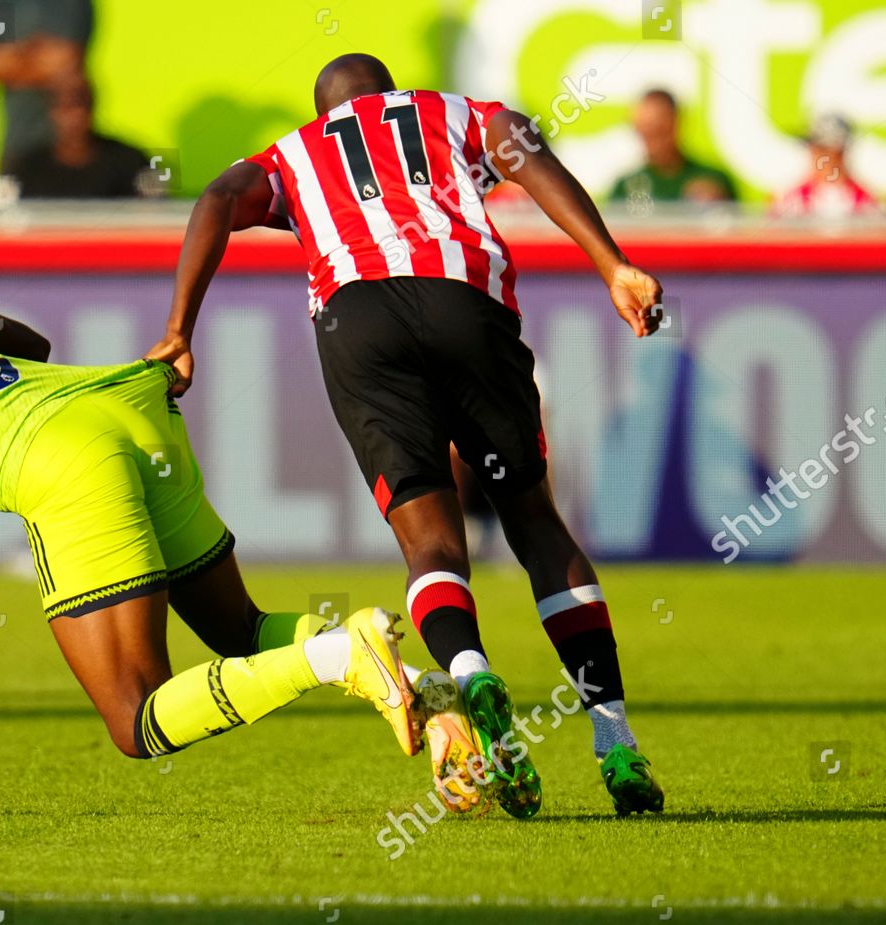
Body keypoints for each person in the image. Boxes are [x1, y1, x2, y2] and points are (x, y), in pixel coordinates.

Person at [0, 211, 487, 812]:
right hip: (125, 407)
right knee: (240, 631)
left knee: (137, 720)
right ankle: (420, 685)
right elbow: (23, 340)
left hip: (67, 467)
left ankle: (340, 658)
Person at [146, 53, 669, 818]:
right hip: (464, 301)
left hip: (358, 322)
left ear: (324, 108)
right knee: (534, 523)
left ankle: (469, 666)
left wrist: (179, 328)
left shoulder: (292, 153)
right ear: (389, 94)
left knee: (428, 540)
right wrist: (612, 263)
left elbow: (220, 197)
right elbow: (525, 150)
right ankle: (613, 738)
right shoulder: (448, 111)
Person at [0, 0, 92, 172]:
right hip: (15, 145)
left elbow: (64, 61)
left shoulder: (70, 4)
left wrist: (2, 62)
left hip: (67, 149)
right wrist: (27, 56)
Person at [10, 74, 154, 200]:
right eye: (65, 107)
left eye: (81, 105)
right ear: (51, 111)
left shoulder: (131, 161)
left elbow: (154, 217)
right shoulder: (27, 169)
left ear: (93, 107)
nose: (75, 117)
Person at [609, 89, 735, 209]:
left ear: (675, 123)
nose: (651, 138)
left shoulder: (713, 180)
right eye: (644, 130)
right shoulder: (625, 187)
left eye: (658, 129)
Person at [774, 114, 877, 220]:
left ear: (839, 152)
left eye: (821, 149)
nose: (813, 154)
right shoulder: (794, 199)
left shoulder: (865, 201)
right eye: (813, 148)